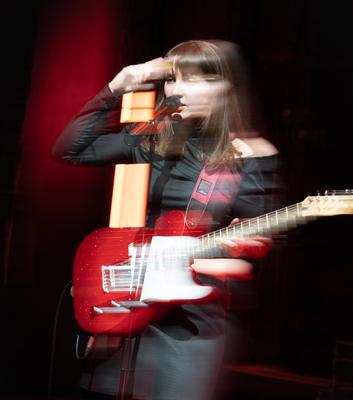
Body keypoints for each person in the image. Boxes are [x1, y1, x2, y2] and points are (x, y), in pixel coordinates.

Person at [52, 39, 282, 400]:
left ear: (225, 87)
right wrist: (118, 86)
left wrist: (209, 258)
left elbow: (249, 258)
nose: (176, 90)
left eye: (193, 79)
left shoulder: (251, 156)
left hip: (192, 324)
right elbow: (69, 150)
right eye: (173, 79)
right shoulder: (156, 140)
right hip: (134, 306)